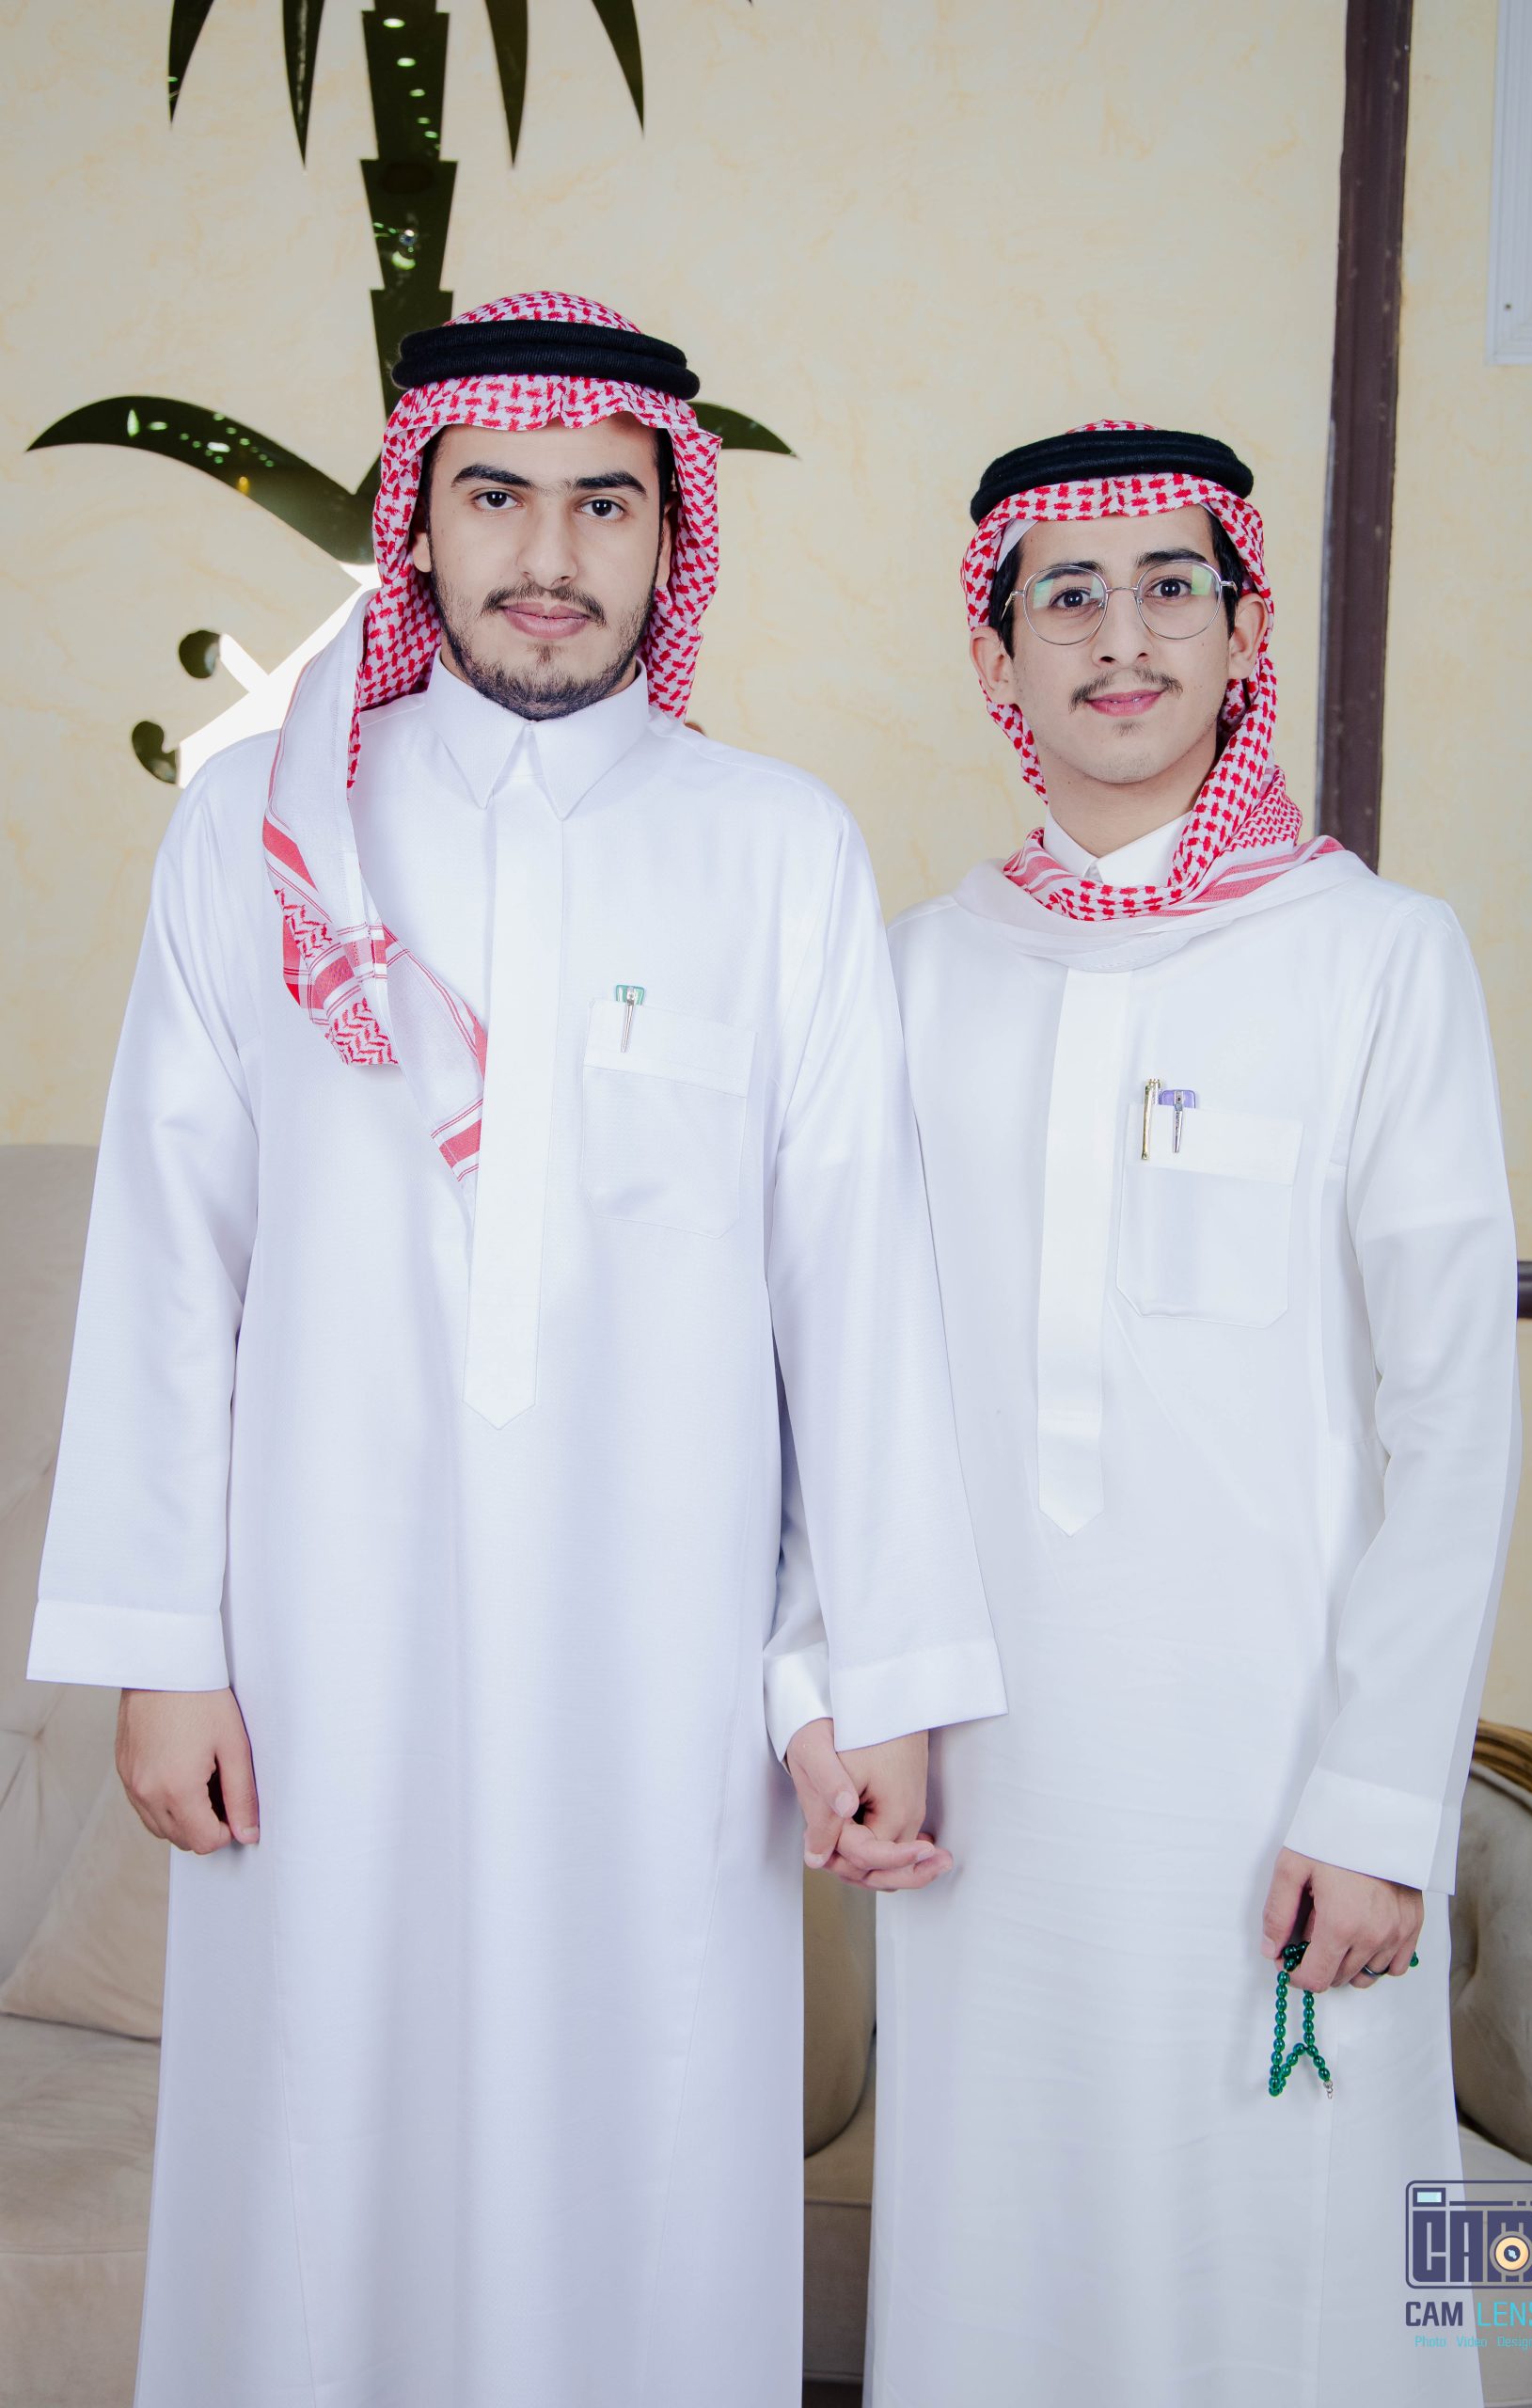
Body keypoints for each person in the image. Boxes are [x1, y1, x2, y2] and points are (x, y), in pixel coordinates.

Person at [26, 290, 1004, 2408]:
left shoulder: (776, 849)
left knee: (639, 2148)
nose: (547, 552)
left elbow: (848, 1285)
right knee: (319, 2152)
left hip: (661, 1669)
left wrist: (870, 1675)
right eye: (495, 497)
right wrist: (161, 1646)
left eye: (600, 503)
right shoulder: (260, 831)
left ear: (671, 535)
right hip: (320, 1650)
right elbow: (173, 1246)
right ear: (420, 520)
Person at [861, 420, 1519, 2406]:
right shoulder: (912, 976)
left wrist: (1378, 1801)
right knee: (1007, 2270)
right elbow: (843, 1389)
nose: (1121, 636)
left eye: (1170, 587)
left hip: (1283, 1780)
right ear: (998, 655)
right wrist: (846, 1683)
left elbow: (1456, 1415)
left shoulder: (1376, 956)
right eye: (1067, 595)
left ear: (1241, 633)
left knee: (1334, 2265)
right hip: (992, 1790)